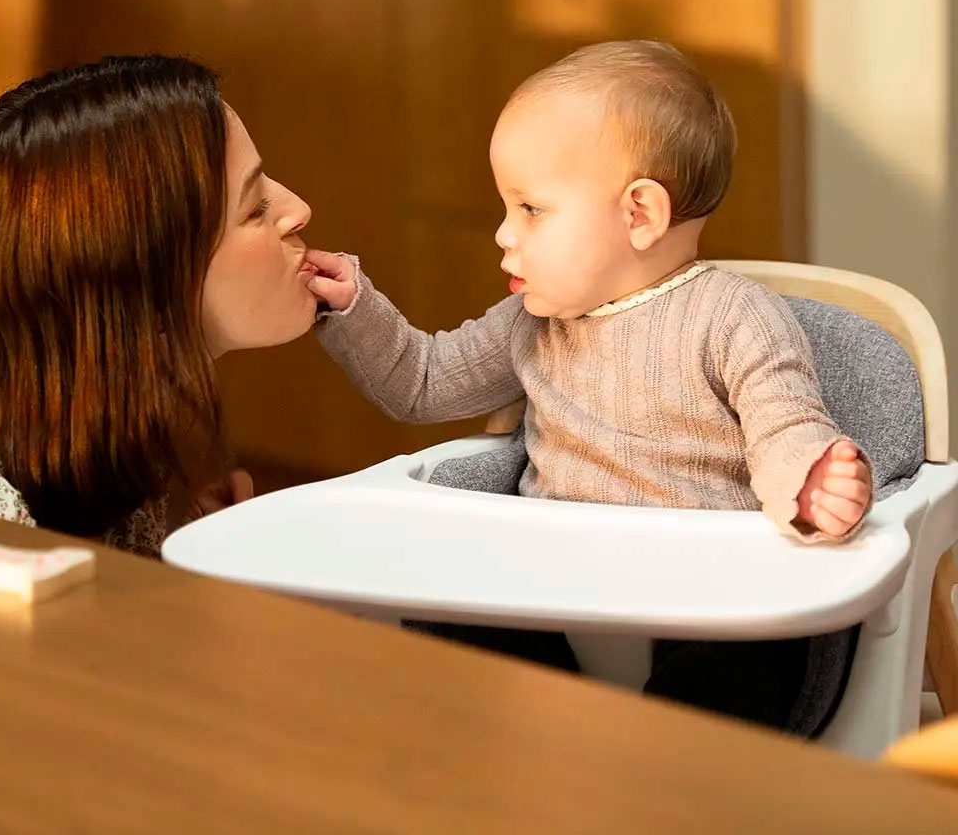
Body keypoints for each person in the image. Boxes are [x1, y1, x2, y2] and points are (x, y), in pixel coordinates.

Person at [306, 40, 873, 729]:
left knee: (743, 660)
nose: (503, 233)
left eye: (531, 209)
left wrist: (810, 484)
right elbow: (422, 382)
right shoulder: (530, 320)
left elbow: (784, 426)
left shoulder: (734, 316)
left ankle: (667, 780)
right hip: (551, 583)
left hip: (698, 592)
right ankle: (534, 742)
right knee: (456, 611)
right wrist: (354, 308)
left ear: (640, 215)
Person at [0, 54, 316, 556]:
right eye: (255, 208)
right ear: (139, 278)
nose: (300, 210)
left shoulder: (108, 425)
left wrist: (188, 569)